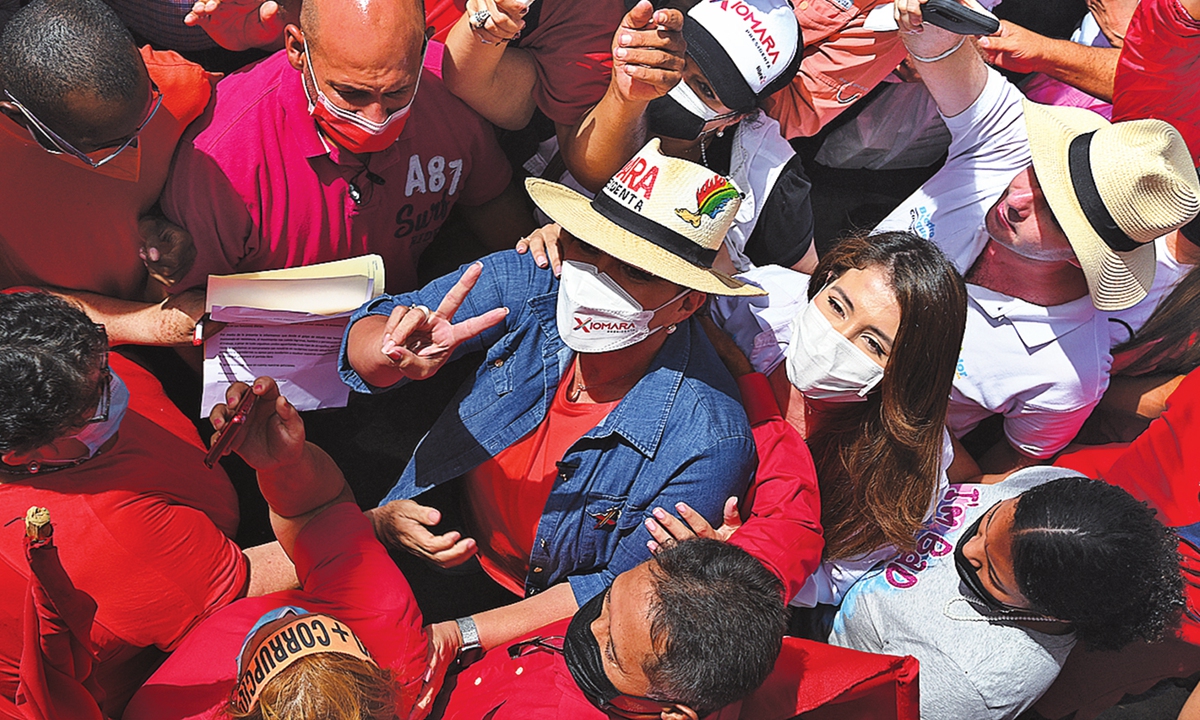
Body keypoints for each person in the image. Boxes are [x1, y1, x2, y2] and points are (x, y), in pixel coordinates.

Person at [341, 140, 760, 709]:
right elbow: (368, 332)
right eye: (590, 246)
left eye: (634, 270)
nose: (597, 276)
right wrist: (389, 350)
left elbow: (614, 590)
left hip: (547, 623)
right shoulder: (530, 280)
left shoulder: (708, 443)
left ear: (686, 306)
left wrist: (461, 635)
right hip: (433, 536)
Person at [875, 0, 1200, 474]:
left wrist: (915, 443)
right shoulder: (1007, 140)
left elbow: (1006, 468)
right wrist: (932, 20)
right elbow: (944, 54)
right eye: (1040, 169)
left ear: (1083, 257)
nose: (1018, 196)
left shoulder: (1069, 376)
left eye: (1054, 210)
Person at [162, 0, 534, 296]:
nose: (375, 119)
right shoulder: (221, 158)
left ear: (422, 51)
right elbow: (181, 305)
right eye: (351, 94)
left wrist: (535, 253)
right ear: (296, 49)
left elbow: (489, 200)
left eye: (396, 93)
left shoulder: (449, 90)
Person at [0, 292, 250, 717]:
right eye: (94, 402)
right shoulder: (100, 537)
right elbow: (245, 589)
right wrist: (361, 522)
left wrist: (146, 323)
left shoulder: (22, 346)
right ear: (22, 455)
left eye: (103, 361)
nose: (114, 387)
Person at [123, 377, 427, 720]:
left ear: (236, 708)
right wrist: (284, 467)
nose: (285, 613)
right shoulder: (389, 631)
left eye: (264, 650)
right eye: (313, 625)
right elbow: (317, 512)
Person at [705, 231, 968, 606]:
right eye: (837, 306)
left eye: (874, 344)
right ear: (826, 280)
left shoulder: (905, 475)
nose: (836, 338)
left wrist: (749, 557)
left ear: (905, 373)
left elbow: (835, 579)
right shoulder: (758, 305)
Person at [826, 469, 1184, 720]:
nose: (968, 550)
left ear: (1052, 614)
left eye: (990, 573)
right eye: (986, 520)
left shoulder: (968, 684)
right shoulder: (1056, 488)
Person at [525, 0, 815, 276]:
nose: (674, 83)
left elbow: (804, 284)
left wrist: (727, 276)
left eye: (705, 89)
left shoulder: (768, 179)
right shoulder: (608, 60)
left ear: (734, 118)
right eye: (678, 60)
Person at [0, 0, 216, 345]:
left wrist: (156, 222)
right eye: (104, 146)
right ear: (16, 116)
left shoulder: (184, 88)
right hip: (50, 343)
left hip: (172, 313)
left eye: (146, 115)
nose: (133, 145)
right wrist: (146, 325)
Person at [435, 539, 789, 720]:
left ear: (675, 714)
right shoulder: (711, 618)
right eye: (607, 601)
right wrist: (458, 636)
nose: (590, 627)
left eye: (611, 653)